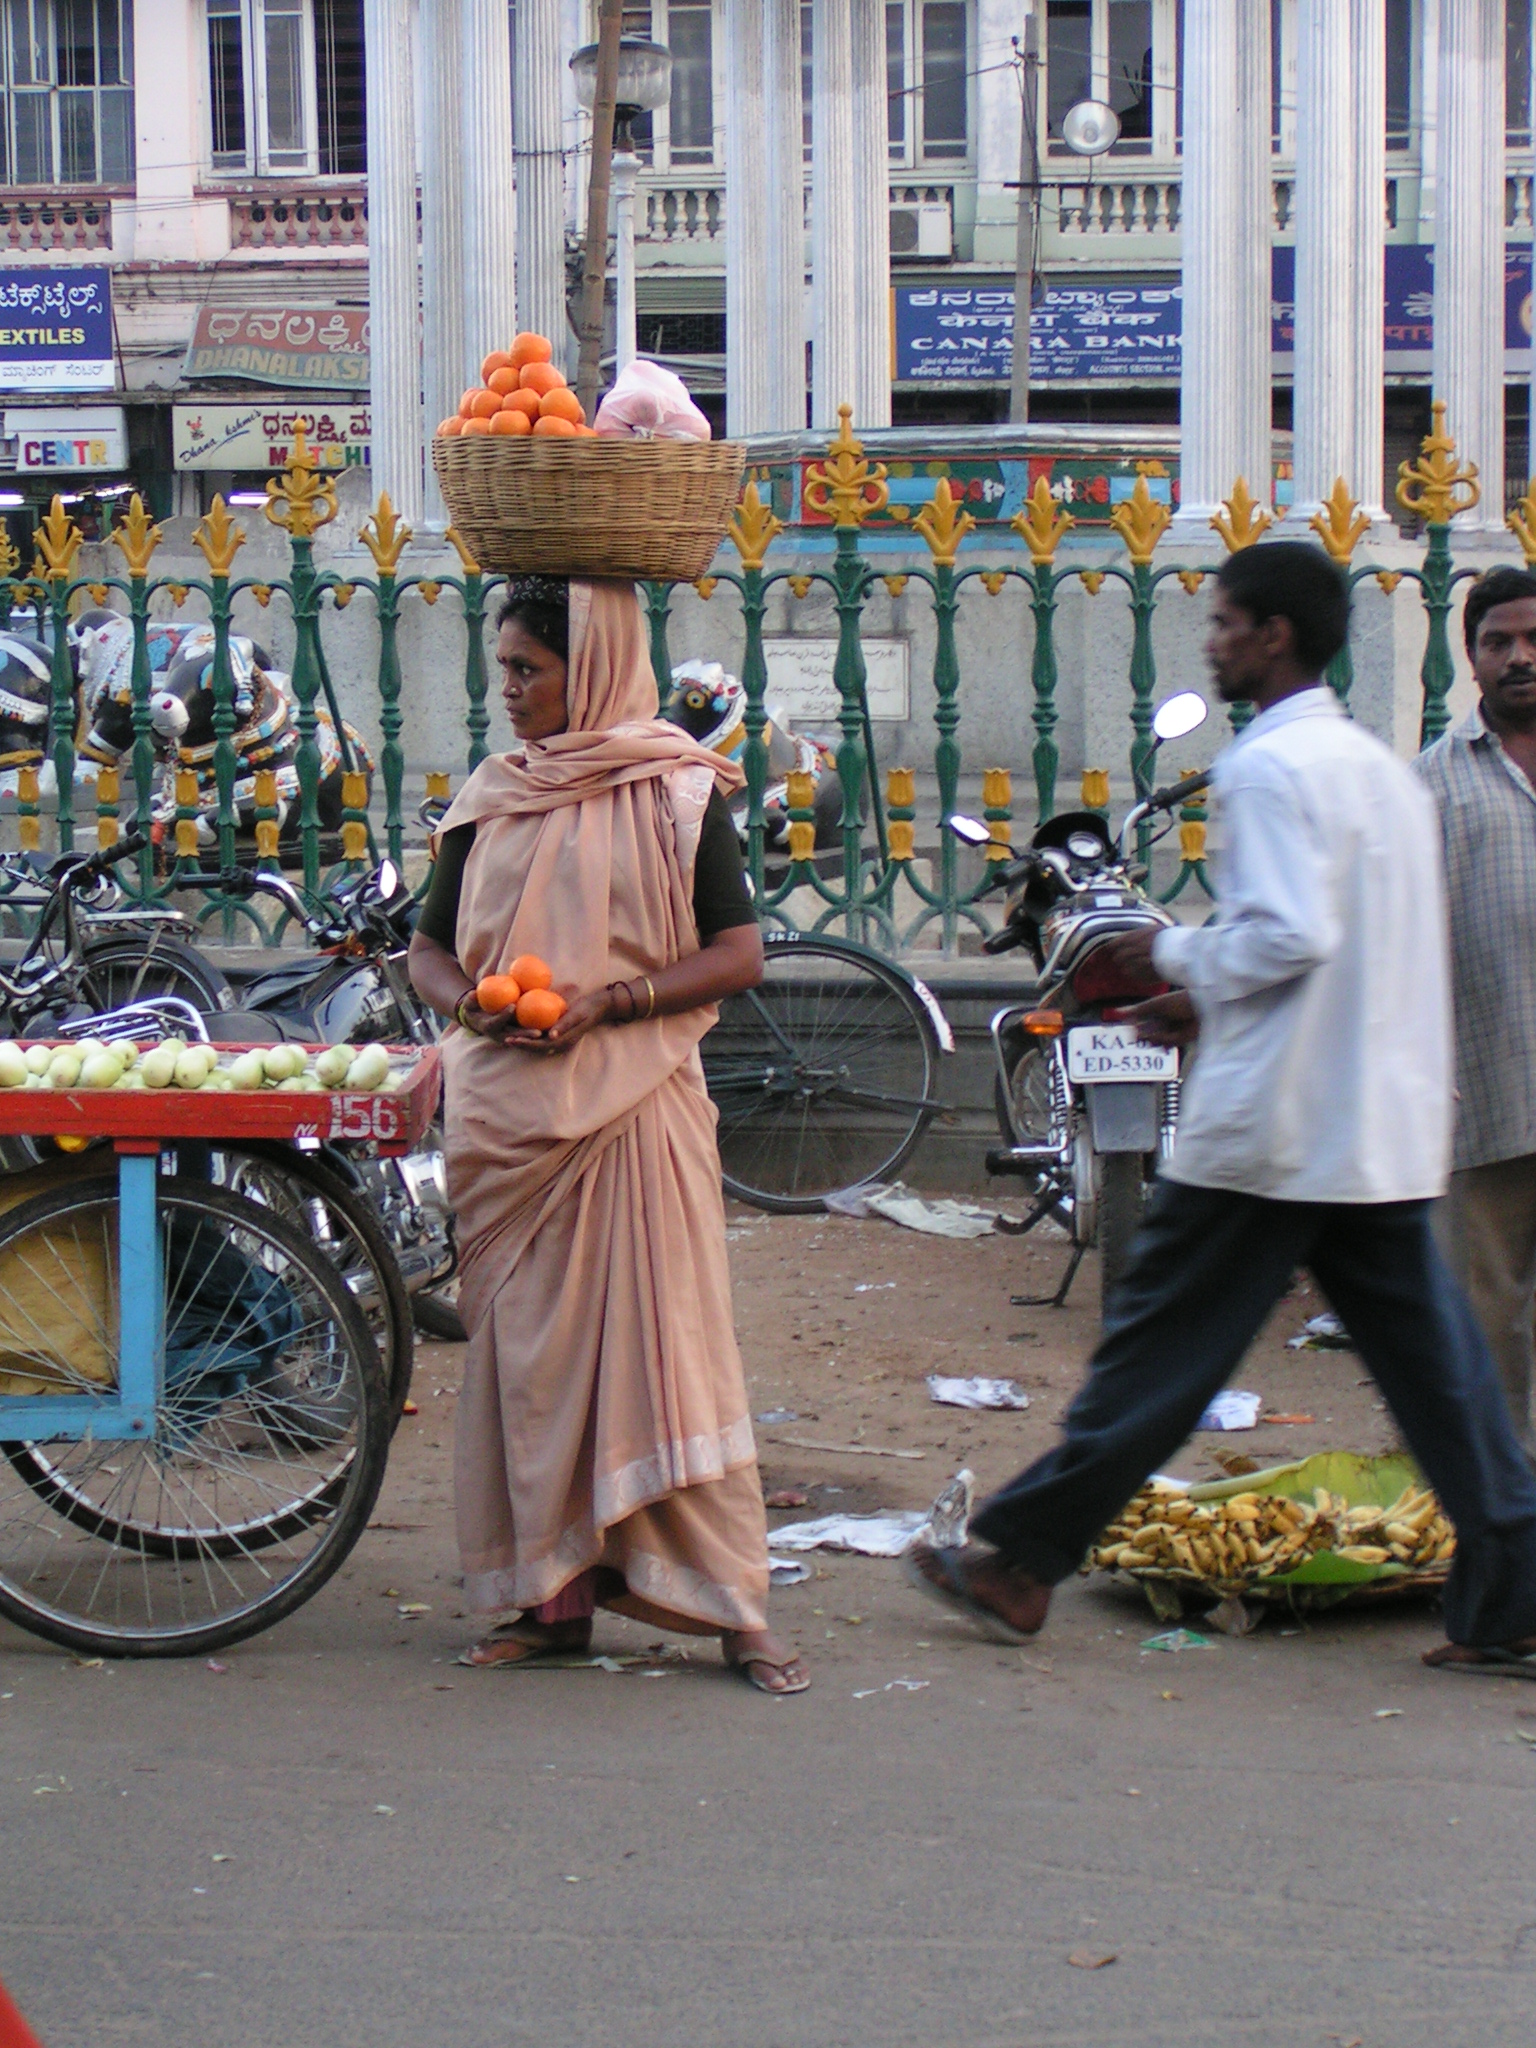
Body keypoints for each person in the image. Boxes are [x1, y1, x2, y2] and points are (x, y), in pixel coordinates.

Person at [907, 540, 1536, 1677]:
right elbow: (1353, 946)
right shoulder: (1378, 771)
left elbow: (1289, 934)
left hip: (1275, 1132)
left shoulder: (1268, 769)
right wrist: (1200, 998)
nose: (1214, 639)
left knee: (1160, 1353)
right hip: (1372, 1128)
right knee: (1441, 1379)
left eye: (1227, 622)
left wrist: (1176, 948)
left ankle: (1019, 1559)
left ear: (1274, 636)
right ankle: (1515, 1597)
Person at [408, 575, 808, 1695]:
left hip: (635, 1112)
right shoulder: (493, 796)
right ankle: (551, 1603)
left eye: (528, 672)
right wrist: (468, 1001)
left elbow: (738, 953)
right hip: (513, 1120)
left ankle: (737, 1609)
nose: (513, 696)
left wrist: (612, 1003)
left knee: (671, 1359)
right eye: (504, 674)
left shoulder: (676, 791)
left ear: (584, 669)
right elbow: (426, 950)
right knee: (532, 1375)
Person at [1415, 566, 1536, 1462]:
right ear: (1472, 658)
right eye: (1499, 642)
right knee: (1485, 1319)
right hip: (1488, 1088)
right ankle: (1498, 1517)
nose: (1520, 657)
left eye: (1534, 640)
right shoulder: (1430, 784)